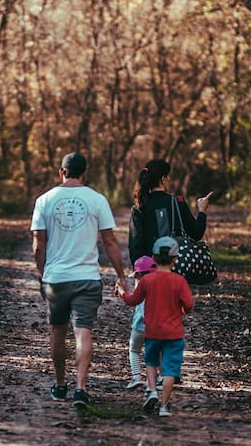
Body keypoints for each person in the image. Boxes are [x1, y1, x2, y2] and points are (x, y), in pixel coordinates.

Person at [30, 152, 128, 410]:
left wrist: (42, 274)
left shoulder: (44, 200)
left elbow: (39, 245)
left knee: (58, 331)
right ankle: (80, 389)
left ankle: (60, 384)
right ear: (84, 173)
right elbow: (109, 241)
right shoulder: (97, 200)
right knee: (83, 332)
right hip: (87, 277)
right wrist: (121, 275)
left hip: (56, 279)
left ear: (61, 172)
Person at [120, 236, 194, 417]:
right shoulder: (179, 281)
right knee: (169, 370)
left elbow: (133, 300)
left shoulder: (147, 280)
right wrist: (182, 310)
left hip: (152, 331)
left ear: (154, 257)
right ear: (175, 259)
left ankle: (152, 391)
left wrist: (122, 292)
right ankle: (164, 406)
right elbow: (189, 305)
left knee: (151, 362)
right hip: (174, 333)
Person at [127, 159, 213, 267]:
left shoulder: (139, 207)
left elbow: (135, 246)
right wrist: (202, 211)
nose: (169, 179)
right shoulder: (178, 202)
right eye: (168, 176)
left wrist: (140, 270)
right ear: (163, 179)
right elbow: (196, 233)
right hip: (176, 267)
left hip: (150, 271)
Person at [124, 255, 157, 390]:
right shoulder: (159, 288)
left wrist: (122, 291)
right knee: (154, 354)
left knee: (134, 350)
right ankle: (157, 379)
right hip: (154, 329)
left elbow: (132, 300)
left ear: (138, 275)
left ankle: (136, 376)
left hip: (138, 327)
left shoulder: (140, 289)